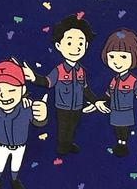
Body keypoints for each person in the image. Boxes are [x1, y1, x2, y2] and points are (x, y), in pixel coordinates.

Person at [20, 15, 101, 155]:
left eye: (80, 44)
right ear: (59, 46)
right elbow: (47, 82)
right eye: (69, 43)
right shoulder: (59, 70)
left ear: (86, 46)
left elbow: (85, 89)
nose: (75, 48)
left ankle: (68, 143)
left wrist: (95, 101)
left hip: (77, 106)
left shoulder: (81, 71)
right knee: (63, 127)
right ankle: (62, 145)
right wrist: (34, 77)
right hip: (62, 106)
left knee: (73, 125)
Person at [0, 60, 48, 189]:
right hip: (1, 145)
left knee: (16, 164)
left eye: (11, 90)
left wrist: (42, 116)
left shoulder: (26, 107)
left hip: (20, 145)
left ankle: (14, 180)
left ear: (22, 90)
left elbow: (38, 122)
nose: (4, 95)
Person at [97, 28, 137, 156]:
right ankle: (119, 143)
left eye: (123, 57)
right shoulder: (114, 80)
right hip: (114, 111)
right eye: (112, 56)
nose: (117, 62)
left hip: (126, 112)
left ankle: (123, 144)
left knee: (124, 131)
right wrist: (98, 102)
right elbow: (108, 94)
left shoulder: (132, 80)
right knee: (117, 130)